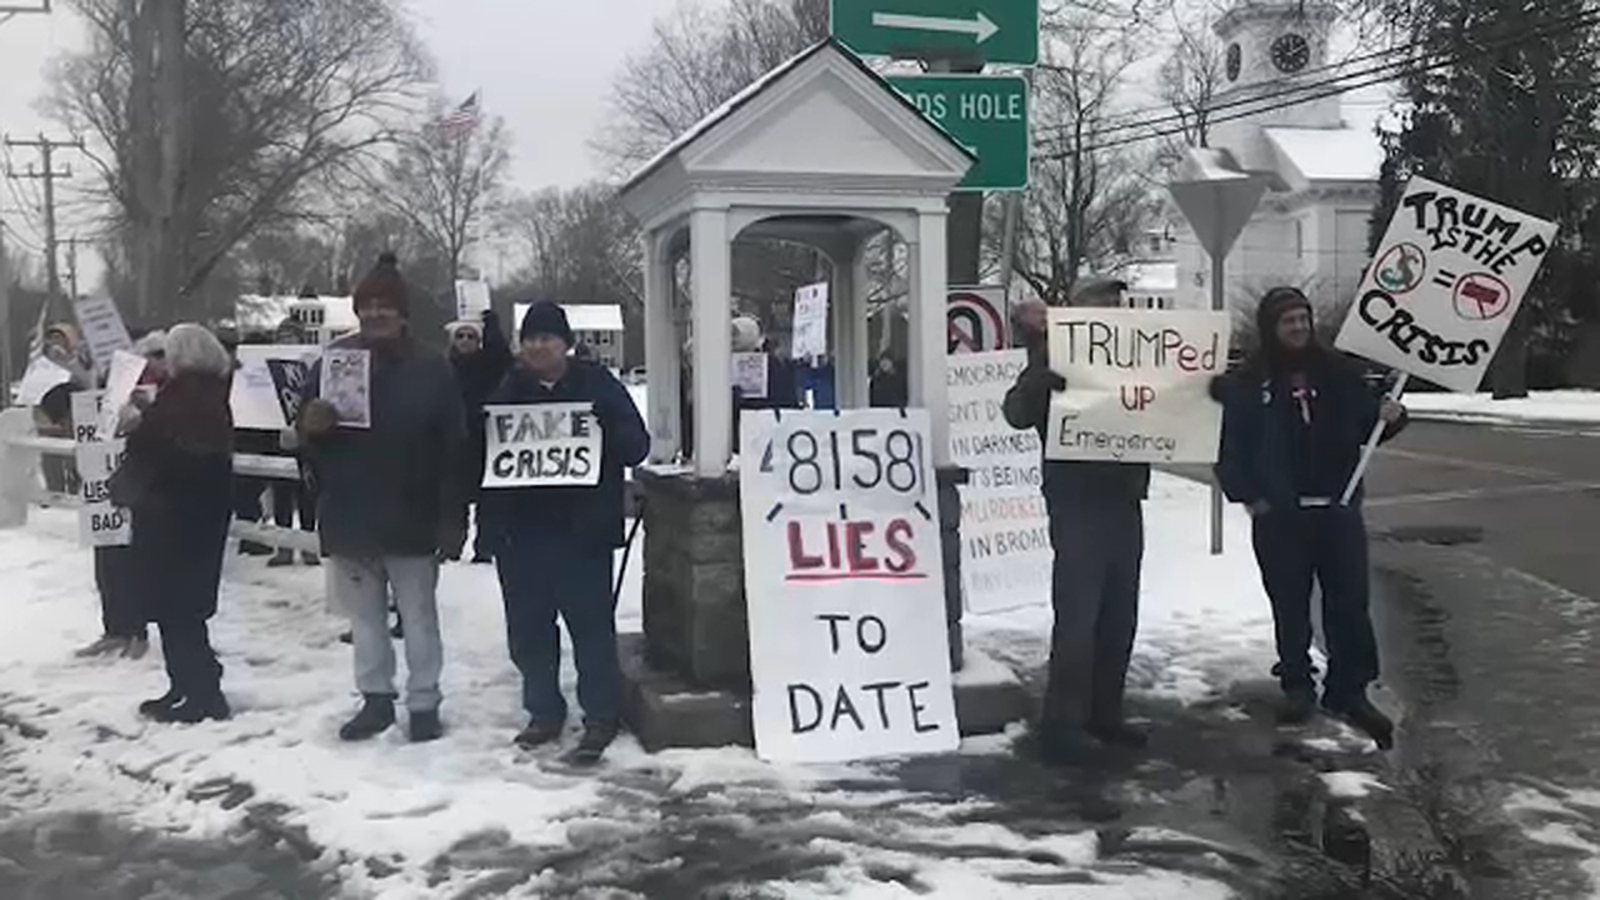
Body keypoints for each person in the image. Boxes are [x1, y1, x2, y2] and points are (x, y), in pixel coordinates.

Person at [1211, 286, 1408, 747]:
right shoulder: (1251, 382)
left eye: (1303, 318)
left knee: (1348, 603)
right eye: (1288, 321)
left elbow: (1368, 424)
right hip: (1280, 516)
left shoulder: (1337, 371)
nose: (1298, 327)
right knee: (1290, 603)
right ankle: (1297, 682)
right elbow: (1228, 449)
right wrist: (1251, 497)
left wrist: (1391, 416)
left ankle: (1349, 689)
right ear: (1271, 328)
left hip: (1336, 510)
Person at [296, 252, 467, 744]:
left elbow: (455, 447)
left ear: (402, 312)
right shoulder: (334, 362)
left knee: (418, 619)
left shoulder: (432, 366)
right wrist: (311, 427)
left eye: (384, 306)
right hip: (351, 511)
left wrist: (452, 519)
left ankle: (424, 702)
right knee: (365, 620)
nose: (374, 314)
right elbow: (305, 433)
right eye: (366, 305)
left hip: (413, 514)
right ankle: (375, 699)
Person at [479, 301, 649, 765]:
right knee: (530, 632)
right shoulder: (506, 392)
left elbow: (638, 445)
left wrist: (606, 428)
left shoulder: (598, 386)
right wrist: (489, 529)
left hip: (582, 533)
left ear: (565, 343)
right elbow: (482, 459)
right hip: (523, 534)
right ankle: (543, 712)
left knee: (591, 629)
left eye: (547, 338)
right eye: (530, 338)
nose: (537, 346)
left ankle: (600, 716)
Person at [1002, 278, 1150, 763]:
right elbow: (1016, 413)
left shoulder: (1135, 355)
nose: (1109, 312)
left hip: (1124, 498)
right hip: (1076, 501)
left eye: (1114, 305)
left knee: (1119, 615)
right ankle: (1062, 724)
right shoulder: (1052, 356)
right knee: (1079, 617)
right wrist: (1040, 381)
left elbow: (1174, 403)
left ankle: (1105, 713)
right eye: (1098, 306)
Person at [110, 324, 236, 723]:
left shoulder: (189, 398)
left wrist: (139, 429)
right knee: (178, 609)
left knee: (178, 609)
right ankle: (185, 684)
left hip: (177, 517)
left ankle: (202, 692)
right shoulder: (206, 395)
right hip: (189, 515)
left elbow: (172, 451)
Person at [77, 331, 167, 661]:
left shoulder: (159, 382)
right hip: (103, 483)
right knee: (107, 562)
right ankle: (114, 628)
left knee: (134, 560)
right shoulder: (102, 377)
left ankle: (137, 631)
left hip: (139, 484)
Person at [447, 311, 512, 564]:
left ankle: (485, 546)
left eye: (471, 336)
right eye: (460, 336)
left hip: (486, 439)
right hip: (454, 440)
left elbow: (503, 359)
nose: (465, 341)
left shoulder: (489, 365)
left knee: (488, 499)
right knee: (454, 498)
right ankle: (452, 545)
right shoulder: (444, 366)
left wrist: (492, 328)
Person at [264, 320, 320, 568]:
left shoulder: (311, 364)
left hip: (307, 439)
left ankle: (308, 546)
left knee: (308, 493)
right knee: (281, 495)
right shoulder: (266, 366)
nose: (286, 342)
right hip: (277, 437)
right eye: (282, 337)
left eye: (291, 337)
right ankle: (284, 546)